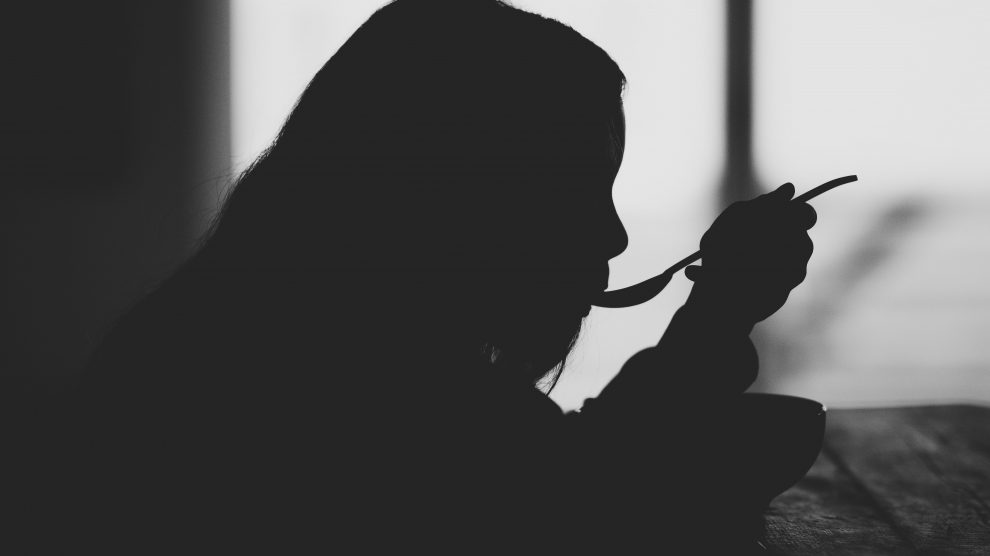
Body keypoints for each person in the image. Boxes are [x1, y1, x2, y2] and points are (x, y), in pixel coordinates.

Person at [12, 0, 816, 552]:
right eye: (576, 188)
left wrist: (718, 308)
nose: (610, 231)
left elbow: (555, 476)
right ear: (460, 196)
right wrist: (718, 309)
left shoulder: (252, 323)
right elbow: (587, 505)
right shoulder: (350, 377)